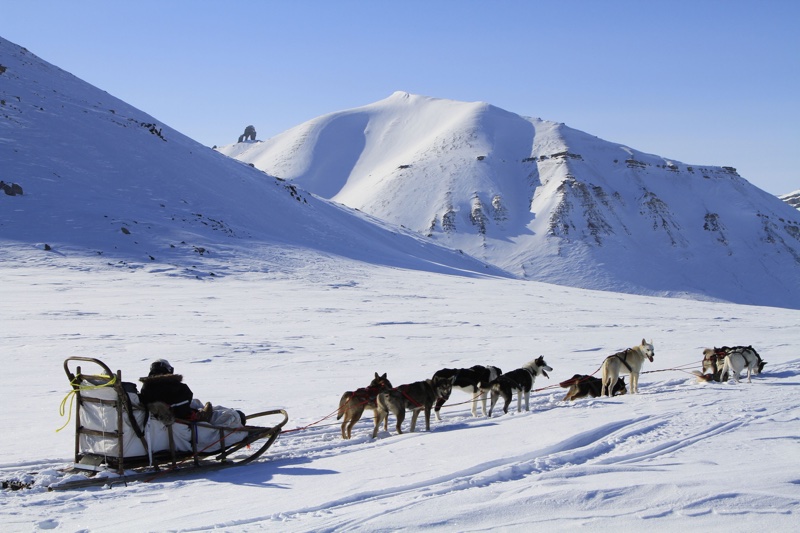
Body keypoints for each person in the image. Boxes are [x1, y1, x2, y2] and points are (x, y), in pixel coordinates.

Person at [139, 359, 212, 424]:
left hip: (153, 418)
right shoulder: (178, 386)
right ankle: (201, 416)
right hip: (178, 420)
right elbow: (183, 407)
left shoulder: (145, 388)